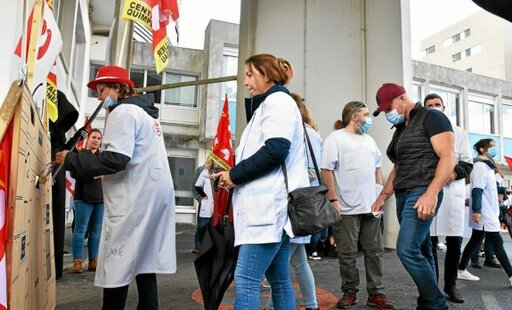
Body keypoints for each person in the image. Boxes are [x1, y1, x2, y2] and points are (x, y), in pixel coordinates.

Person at [55, 65, 176, 309]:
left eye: (102, 90)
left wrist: (70, 159)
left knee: (116, 262)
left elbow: (116, 159)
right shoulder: (147, 114)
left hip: (135, 198)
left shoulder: (124, 112)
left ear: (117, 88)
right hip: (153, 196)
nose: (99, 97)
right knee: (145, 263)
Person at [213, 54, 309, 310]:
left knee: (246, 279)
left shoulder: (278, 103)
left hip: (268, 211)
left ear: (266, 76)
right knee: (279, 281)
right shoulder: (270, 104)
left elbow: (276, 150)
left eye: (249, 74)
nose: (245, 82)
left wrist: (233, 175)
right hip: (267, 211)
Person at [371, 83, 455, 310]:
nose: (388, 114)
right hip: (403, 194)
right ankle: (426, 302)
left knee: (406, 249)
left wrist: (432, 193)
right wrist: (383, 196)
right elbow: (398, 167)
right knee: (423, 249)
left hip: (422, 191)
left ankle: (437, 304)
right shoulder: (400, 129)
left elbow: (448, 157)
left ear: (401, 99)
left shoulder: (432, 117)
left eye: (389, 108)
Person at [321, 101, 395, 310]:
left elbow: (377, 169)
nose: (368, 118)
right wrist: (333, 200)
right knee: (347, 252)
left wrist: (379, 196)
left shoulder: (370, 141)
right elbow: (326, 171)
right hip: (345, 207)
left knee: (375, 251)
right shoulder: (335, 139)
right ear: (354, 116)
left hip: (371, 206)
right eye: (365, 114)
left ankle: (376, 294)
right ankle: (350, 292)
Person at [265, 93, 321, 310]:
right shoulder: (309, 133)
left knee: (278, 262)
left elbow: (313, 171)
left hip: (297, 205)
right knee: (299, 262)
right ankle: (311, 304)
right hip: (300, 206)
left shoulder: (306, 135)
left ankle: (273, 307)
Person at [422, 94, 473, 303]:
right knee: (430, 242)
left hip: (452, 193)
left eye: (437, 105)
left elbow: (468, 164)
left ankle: (451, 285)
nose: (433, 108)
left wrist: (452, 174)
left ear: (444, 107)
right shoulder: (422, 131)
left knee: (454, 242)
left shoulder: (459, 132)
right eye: (429, 106)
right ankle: (432, 287)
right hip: (429, 191)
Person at [458, 139, 512, 286]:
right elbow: (477, 190)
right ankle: (511, 275)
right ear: (482, 149)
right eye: (492, 146)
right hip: (484, 212)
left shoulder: (488, 166)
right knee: (498, 242)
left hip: (489, 211)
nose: (495, 149)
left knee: (475, 240)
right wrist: (476, 210)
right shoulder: (480, 166)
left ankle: (461, 269)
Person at [70, 128, 105, 273]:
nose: (96, 140)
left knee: (96, 232)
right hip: (83, 198)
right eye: (94, 137)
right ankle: (77, 262)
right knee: (80, 230)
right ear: (88, 139)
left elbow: (108, 172)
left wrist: (96, 173)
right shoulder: (80, 155)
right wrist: (94, 176)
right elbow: (75, 173)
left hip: (100, 199)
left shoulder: (103, 157)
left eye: (98, 138)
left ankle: (93, 261)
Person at [192, 159, 215, 253]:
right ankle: (199, 246)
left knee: (212, 227)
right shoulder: (202, 170)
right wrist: (200, 198)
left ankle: (209, 247)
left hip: (215, 205)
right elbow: (195, 186)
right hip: (205, 203)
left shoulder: (223, 171)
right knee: (202, 226)